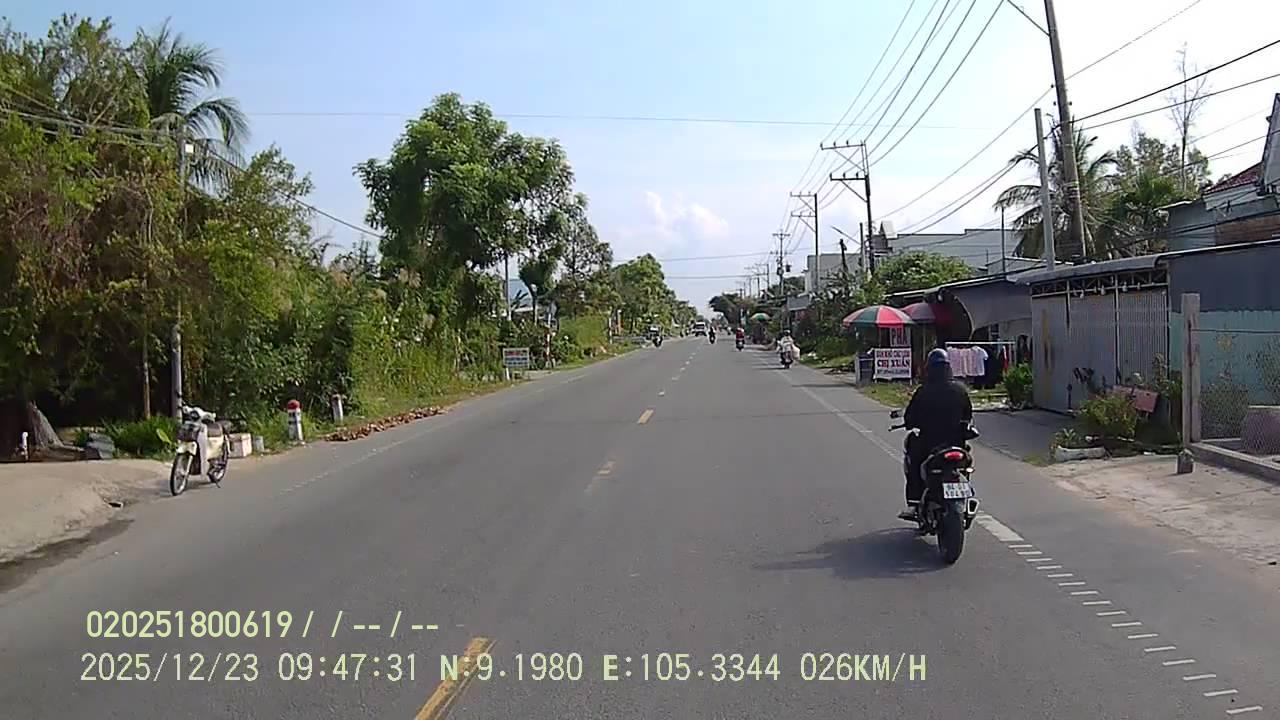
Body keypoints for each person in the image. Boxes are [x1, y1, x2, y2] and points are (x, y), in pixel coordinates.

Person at [899, 348, 973, 521]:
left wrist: (912, 423)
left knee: (913, 461)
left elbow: (910, 418)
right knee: (966, 462)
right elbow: (968, 415)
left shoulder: (923, 391)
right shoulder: (960, 390)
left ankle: (914, 502)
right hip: (956, 444)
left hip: (929, 445)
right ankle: (965, 492)